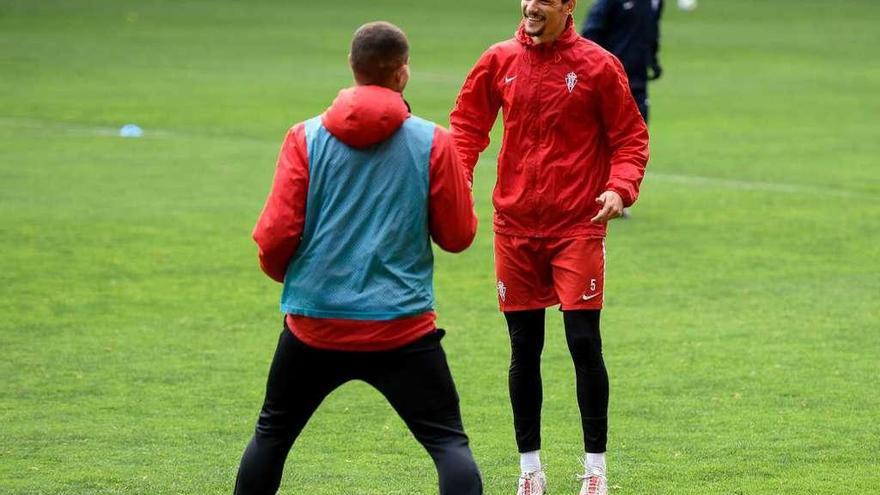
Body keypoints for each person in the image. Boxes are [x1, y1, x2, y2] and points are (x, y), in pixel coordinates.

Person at [234, 21, 482, 495]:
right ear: (402, 73)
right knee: (449, 445)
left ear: (352, 66)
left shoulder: (303, 138)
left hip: (314, 324)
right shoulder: (434, 141)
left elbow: (276, 233)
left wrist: (297, 284)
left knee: (272, 436)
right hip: (402, 326)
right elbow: (457, 236)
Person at [449, 0, 649, 494]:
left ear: (566, 7)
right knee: (524, 348)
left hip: (577, 225)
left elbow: (629, 137)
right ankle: (530, 472)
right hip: (515, 227)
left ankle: (596, 472)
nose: (530, 6)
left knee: (583, 343)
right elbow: (467, 128)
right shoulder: (498, 60)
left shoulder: (599, 65)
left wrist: (619, 188)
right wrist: (455, 183)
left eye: (544, 0)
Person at [580, 0, 664, 124]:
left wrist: (653, 59)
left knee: (639, 137)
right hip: (609, 84)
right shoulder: (608, 2)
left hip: (638, 84)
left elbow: (651, 28)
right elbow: (591, 33)